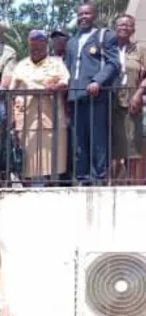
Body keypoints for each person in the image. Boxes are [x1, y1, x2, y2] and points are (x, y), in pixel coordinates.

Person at [64, 3, 120, 184]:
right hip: (75, 97)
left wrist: (98, 81)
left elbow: (114, 64)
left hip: (96, 97)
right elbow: (67, 68)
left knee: (97, 138)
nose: (83, 17)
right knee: (78, 140)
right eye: (80, 14)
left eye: (87, 13)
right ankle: (82, 178)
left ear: (94, 16)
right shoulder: (72, 41)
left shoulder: (105, 36)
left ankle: (98, 177)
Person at [9, 31, 70, 184]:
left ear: (46, 45)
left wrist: (56, 86)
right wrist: (12, 119)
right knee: (28, 166)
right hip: (26, 121)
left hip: (51, 120)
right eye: (33, 46)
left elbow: (66, 82)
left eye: (40, 46)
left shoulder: (56, 63)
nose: (36, 49)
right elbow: (10, 93)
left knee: (53, 164)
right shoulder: (21, 65)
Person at [112, 14, 146, 182]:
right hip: (110, 103)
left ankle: (132, 184)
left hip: (132, 102)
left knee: (133, 146)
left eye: (128, 25)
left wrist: (139, 93)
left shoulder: (140, 49)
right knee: (112, 147)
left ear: (133, 29)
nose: (124, 28)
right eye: (121, 25)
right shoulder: (107, 48)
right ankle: (111, 184)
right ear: (115, 28)